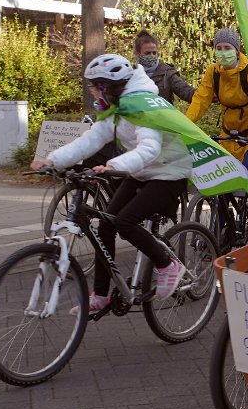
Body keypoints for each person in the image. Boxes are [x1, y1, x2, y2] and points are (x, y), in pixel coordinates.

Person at [31, 54, 192, 312]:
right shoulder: (115, 108)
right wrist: (53, 160)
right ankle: (101, 295)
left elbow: (150, 148)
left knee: (124, 220)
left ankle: (167, 265)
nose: (92, 92)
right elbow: (91, 140)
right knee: (106, 223)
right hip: (143, 172)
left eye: (95, 86)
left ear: (109, 86)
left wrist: (116, 165)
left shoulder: (140, 105)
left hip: (169, 172)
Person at [186, 28, 248, 222]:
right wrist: (183, 126)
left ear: (236, 50)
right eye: (218, 48)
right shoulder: (213, 72)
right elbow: (199, 101)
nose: (222, 51)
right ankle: (223, 219)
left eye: (227, 47)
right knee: (216, 171)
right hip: (228, 137)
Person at [133, 30, 196, 105]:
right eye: (147, 53)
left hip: (161, 116)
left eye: (154, 52)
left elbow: (186, 91)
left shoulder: (167, 73)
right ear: (137, 53)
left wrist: (207, 94)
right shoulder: (130, 74)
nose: (152, 55)